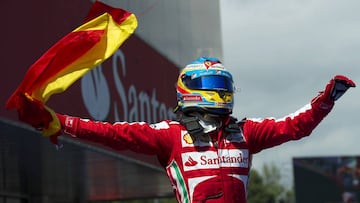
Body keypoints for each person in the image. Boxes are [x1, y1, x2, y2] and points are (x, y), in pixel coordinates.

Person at [20, 57, 355, 202]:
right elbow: (111, 133)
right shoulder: (169, 134)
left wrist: (325, 101)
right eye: (212, 83)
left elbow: (293, 126)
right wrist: (58, 122)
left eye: (224, 83)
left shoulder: (245, 133)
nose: (220, 90)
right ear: (188, 89)